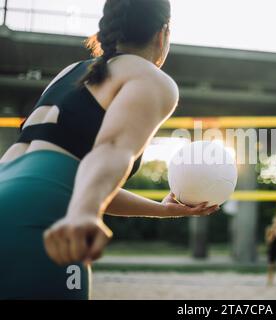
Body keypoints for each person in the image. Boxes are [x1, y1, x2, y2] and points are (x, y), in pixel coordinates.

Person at [0, 0, 219, 300]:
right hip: (43, 216)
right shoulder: (150, 78)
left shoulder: (71, 72)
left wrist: (164, 210)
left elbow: (72, 177)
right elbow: (111, 148)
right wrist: (83, 213)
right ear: (163, 33)